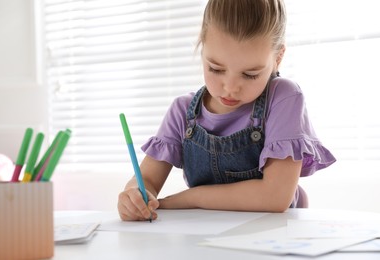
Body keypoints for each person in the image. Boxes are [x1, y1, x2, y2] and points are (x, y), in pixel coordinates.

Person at [118, 0, 336, 221]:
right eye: (216, 69)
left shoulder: (283, 98)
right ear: (203, 48)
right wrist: (134, 195)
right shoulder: (182, 111)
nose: (230, 88)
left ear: (277, 58)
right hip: (209, 234)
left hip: (275, 235)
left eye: (250, 74)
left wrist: (192, 198)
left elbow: (275, 197)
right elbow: (147, 180)